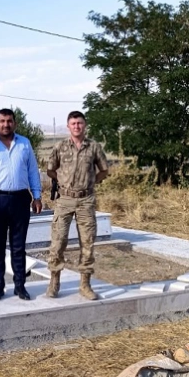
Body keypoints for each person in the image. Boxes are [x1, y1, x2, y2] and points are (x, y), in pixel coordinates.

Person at [0, 109, 43, 301]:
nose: (6, 124)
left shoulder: (24, 143)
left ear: (15, 123)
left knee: (18, 246)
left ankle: (20, 286)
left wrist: (37, 196)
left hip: (20, 199)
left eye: (9, 121)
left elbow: (32, 170)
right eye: (2, 121)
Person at [45, 110, 109, 300]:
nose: (77, 126)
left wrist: (91, 182)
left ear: (85, 125)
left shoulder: (94, 147)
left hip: (85, 201)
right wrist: (63, 182)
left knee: (87, 243)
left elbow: (104, 170)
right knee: (58, 242)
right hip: (64, 200)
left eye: (80, 123)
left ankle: (85, 285)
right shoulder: (60, 146)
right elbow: (50, 169)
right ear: (68, 126)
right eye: (73, 124)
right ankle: (54, 282)